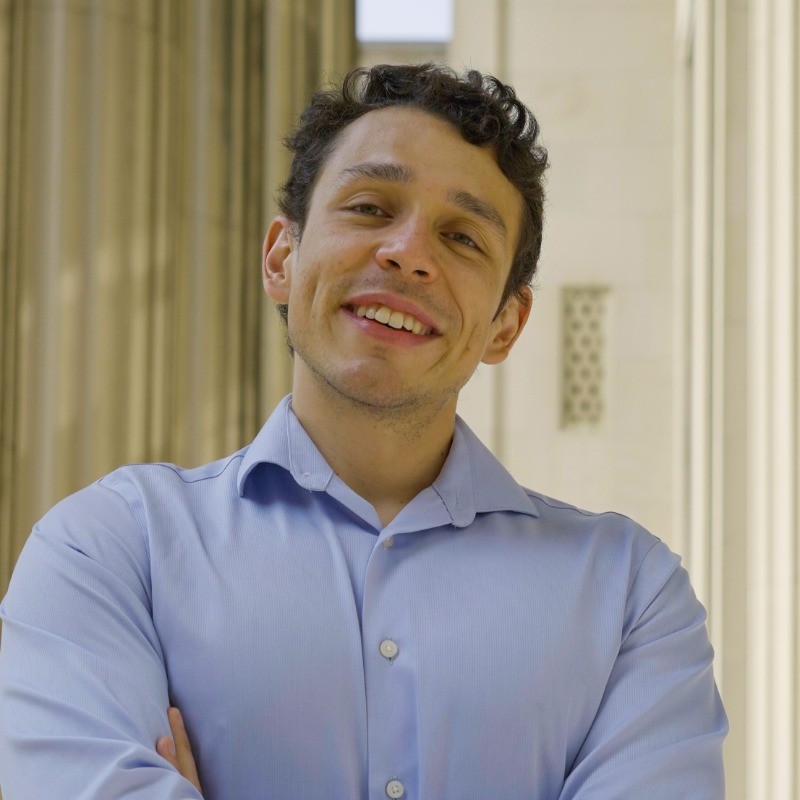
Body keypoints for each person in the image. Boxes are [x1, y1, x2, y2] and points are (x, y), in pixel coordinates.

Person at [0, 63, 727, 800]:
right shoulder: (113, 550)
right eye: (371, 207)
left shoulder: (631, 596)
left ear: (507, 324)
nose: (410, 252)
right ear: (282, 259)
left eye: (463, 237)